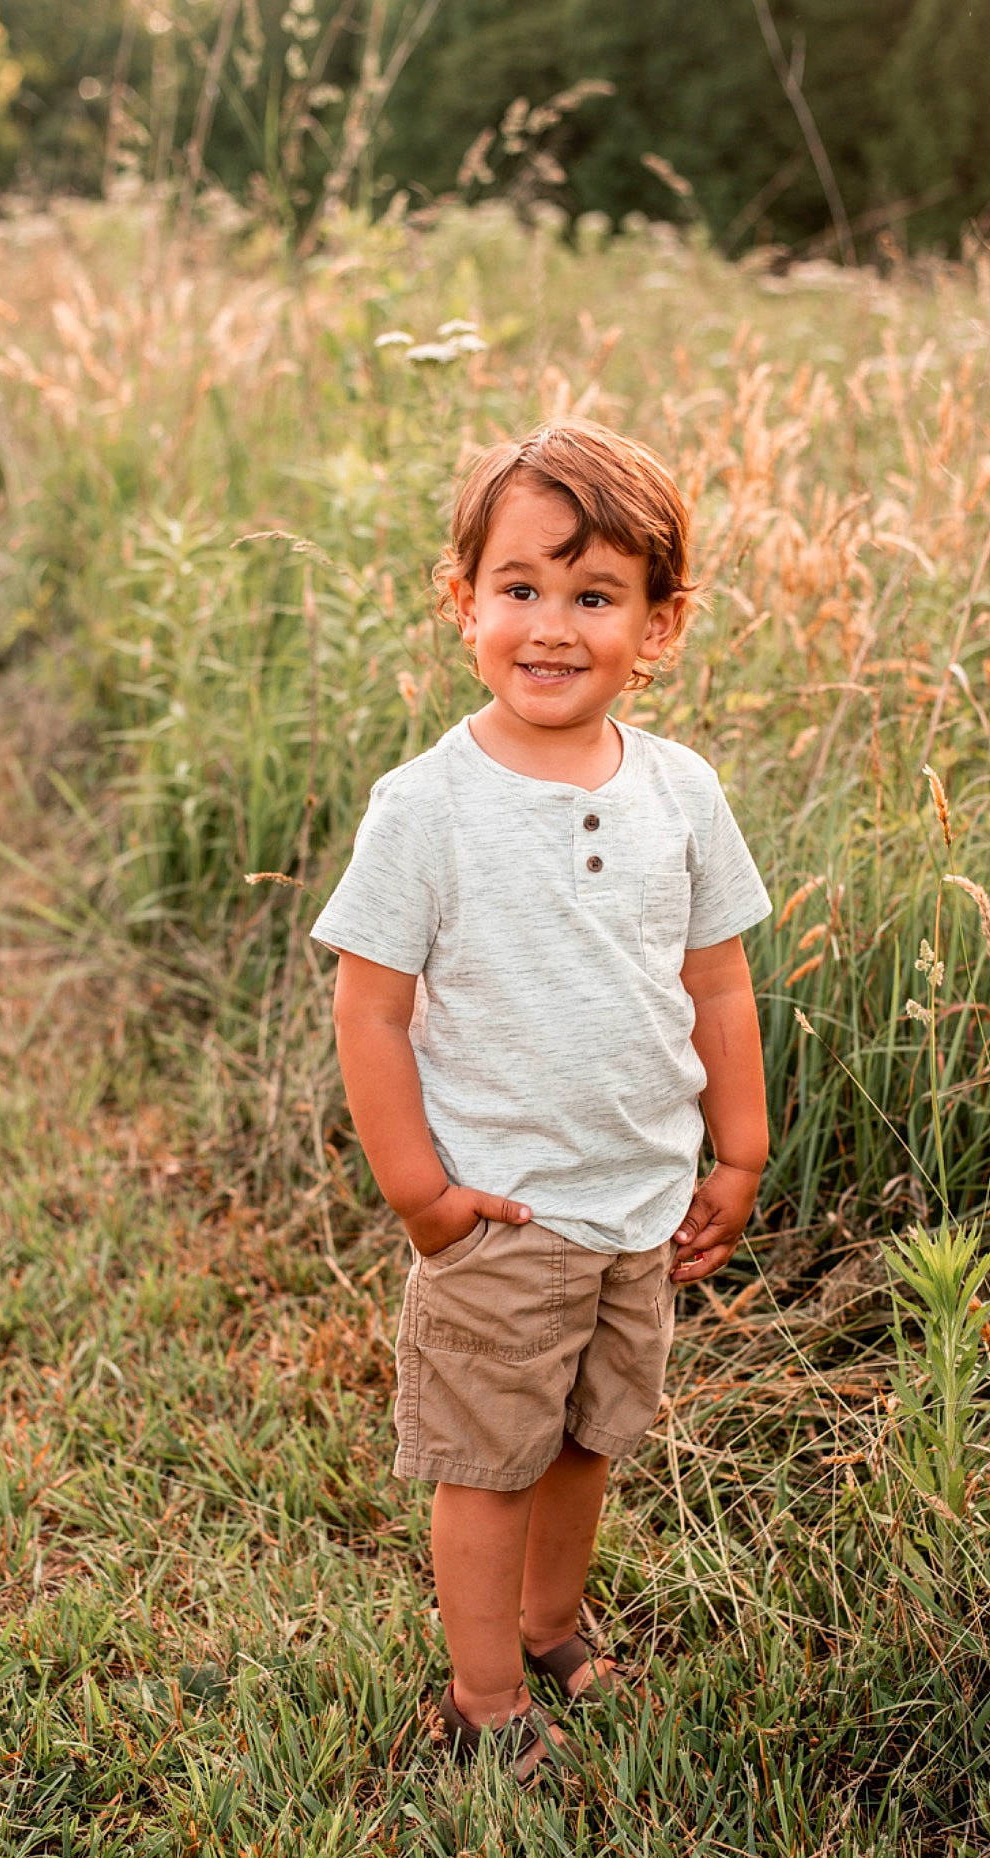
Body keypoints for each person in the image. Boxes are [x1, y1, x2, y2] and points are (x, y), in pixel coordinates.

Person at [310, 419, 771, 1783]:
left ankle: (553, 1624)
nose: (553, 627)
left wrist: (735, 1151)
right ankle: (484, 1696)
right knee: (492, 1460)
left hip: (636, 1199)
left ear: (659, 622)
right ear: (464, 605)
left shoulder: (680, 792)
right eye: (521, 588)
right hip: (502, 1212)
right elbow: (372, 1008)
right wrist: (424, 1198)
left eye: (594, 595)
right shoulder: (427, 808)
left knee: (587, 1438)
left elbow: (722, 982)